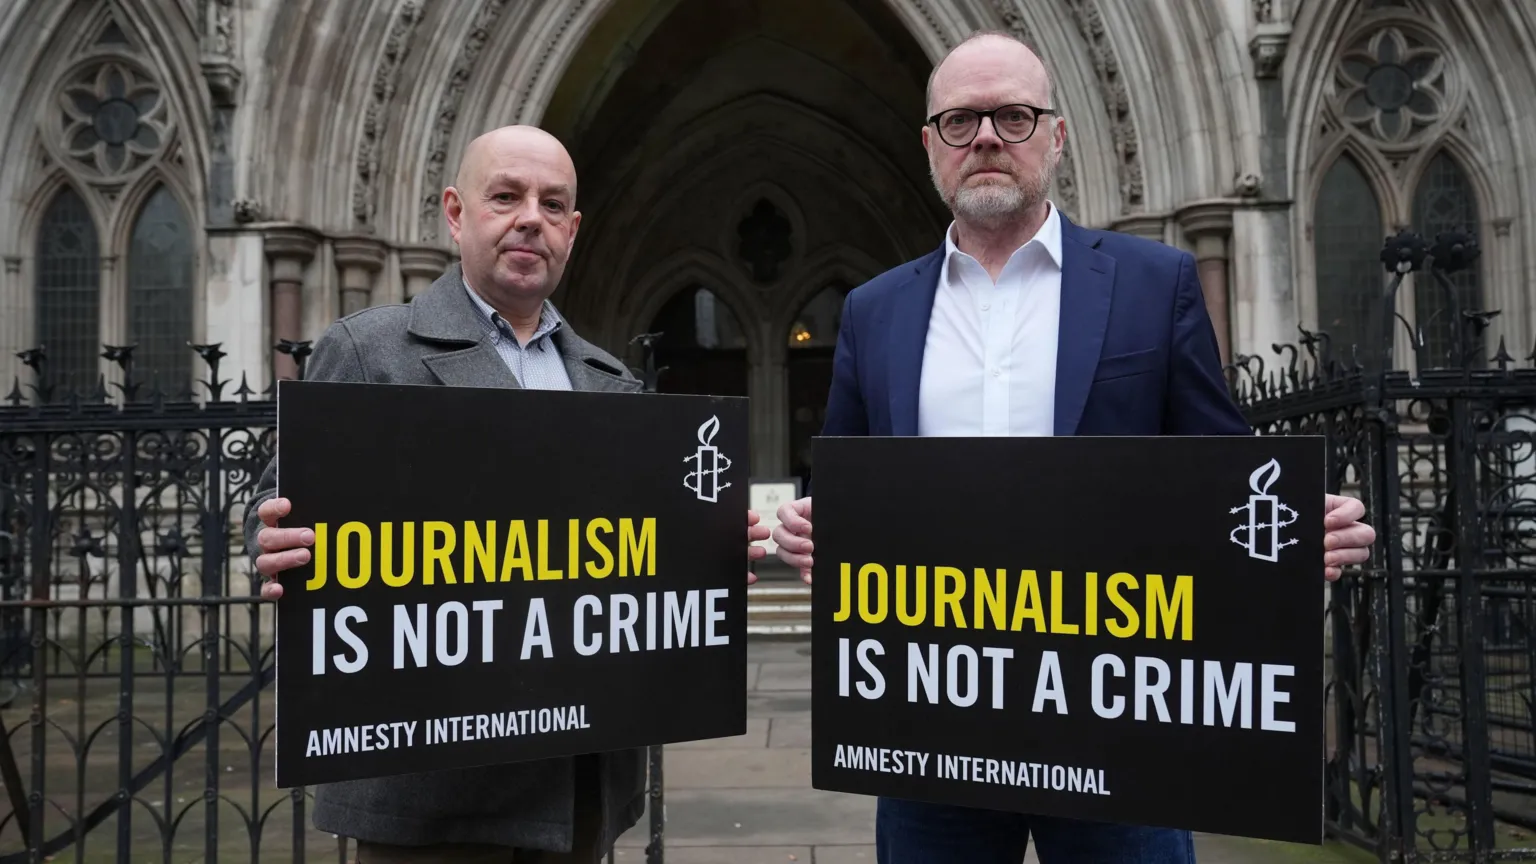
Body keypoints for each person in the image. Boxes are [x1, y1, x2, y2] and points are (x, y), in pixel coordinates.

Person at [767, 30, 1377, 864]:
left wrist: (1290, 534)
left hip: (1115, 717)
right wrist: (816, 529)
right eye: (960, 122)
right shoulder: (875, 310)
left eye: (1013, 117)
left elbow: (1221, 471)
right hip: (930, 721)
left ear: (1057, 135)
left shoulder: (1150, 281)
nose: (985, 137)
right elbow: (845, 485)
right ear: (930, 148)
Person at [244, 125, 773, 863]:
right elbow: (277, 508)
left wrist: (708, 546)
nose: (532, 217)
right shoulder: (370, 352)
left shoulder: (610, 382)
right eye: (507, 196)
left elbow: (636, 554)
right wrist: (269, 542)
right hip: (430, 796)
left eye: (553, 204)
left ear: (573, 230)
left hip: (578, 783)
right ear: (456, 214)